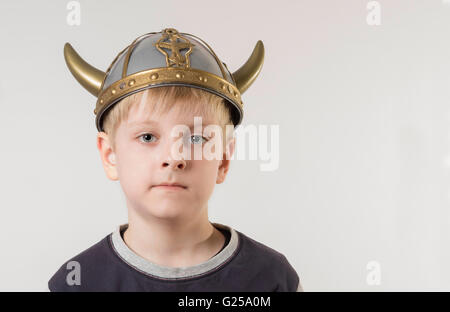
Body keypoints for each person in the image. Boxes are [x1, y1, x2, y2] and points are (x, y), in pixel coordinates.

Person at [48, 28, 303, 292]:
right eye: (147, 137)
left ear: (223, 159)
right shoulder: (77, 282)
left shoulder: (271, 278)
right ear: (110, 155)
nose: (174, 158)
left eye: (196, 139)